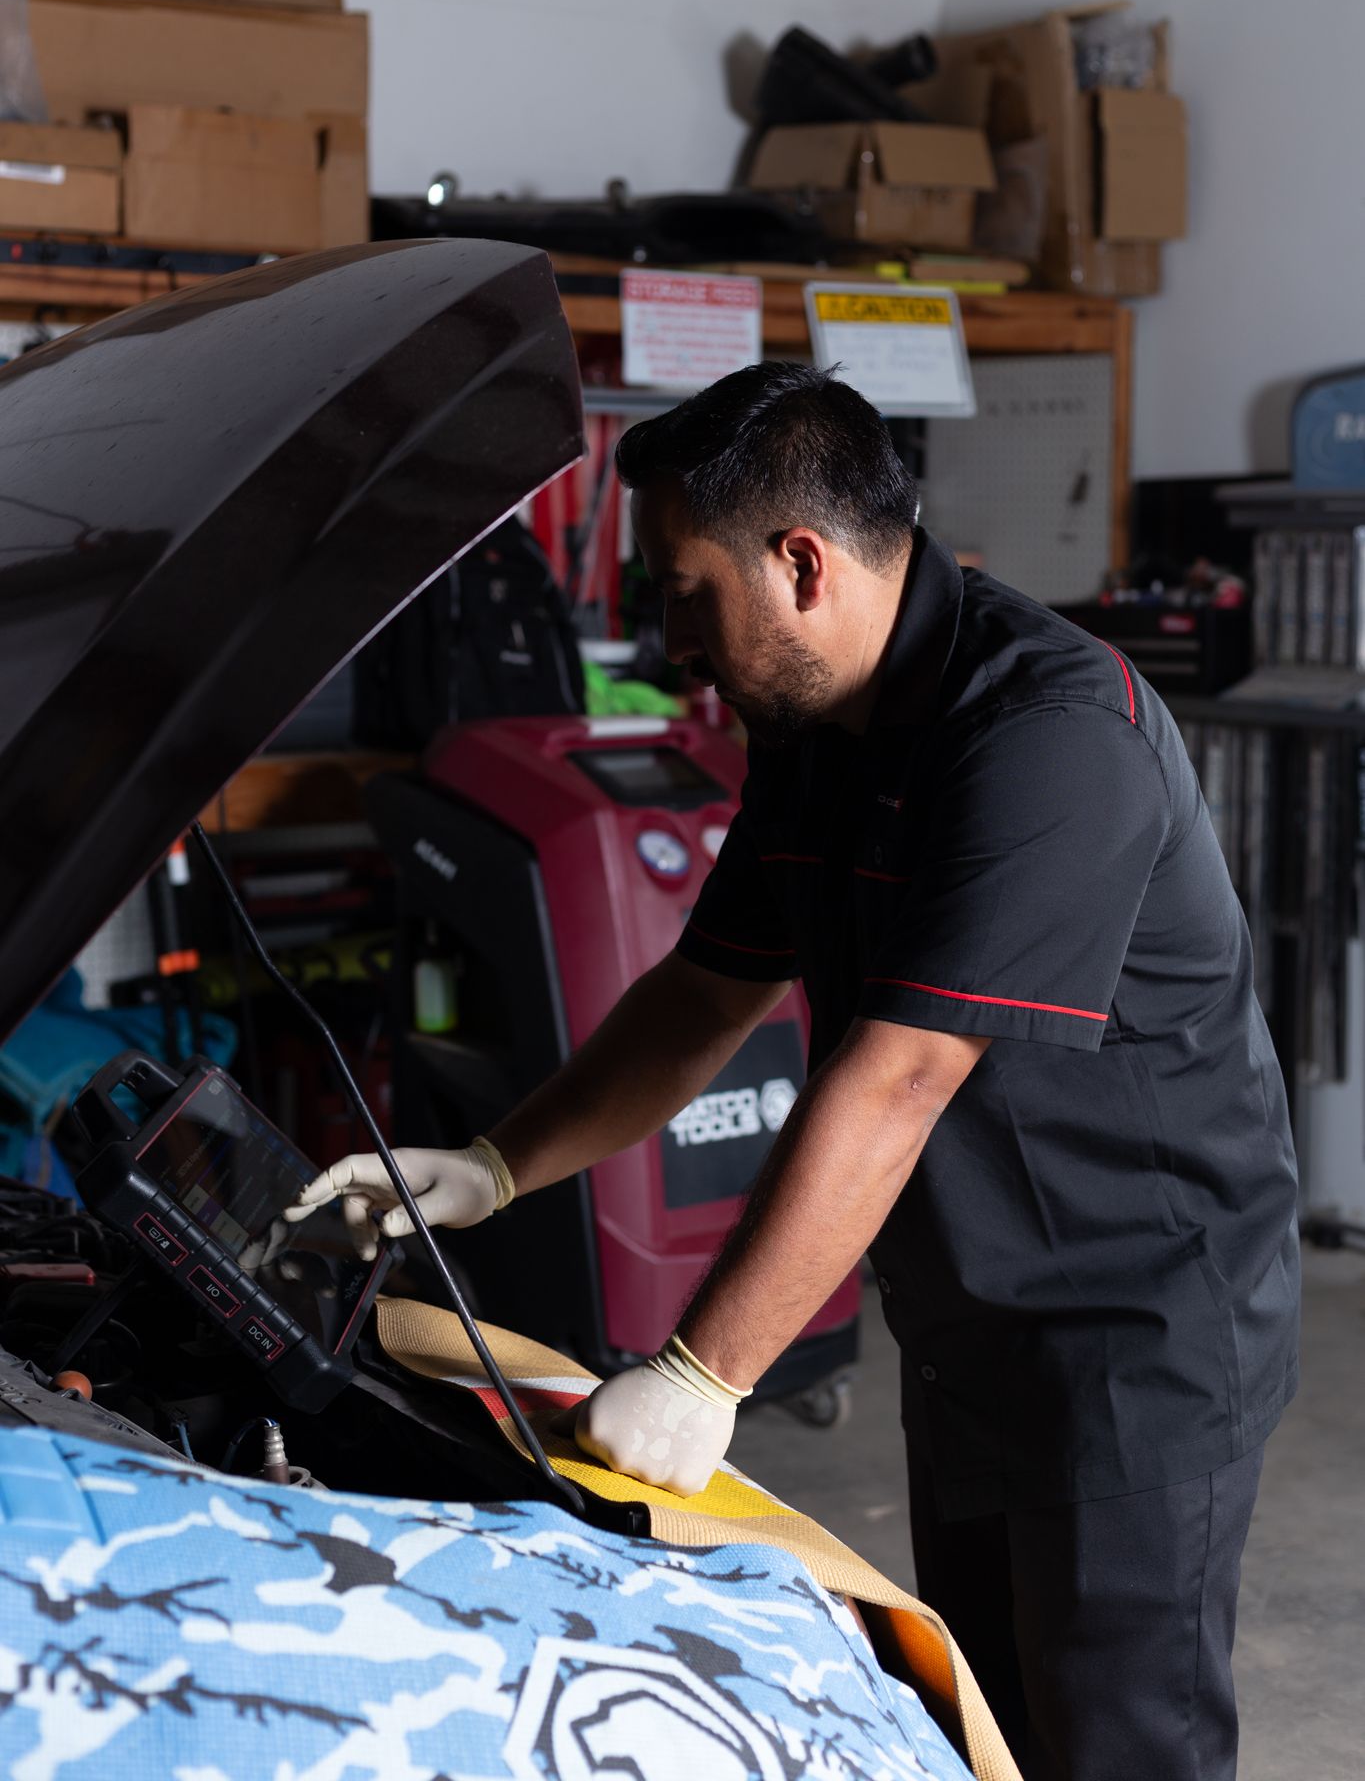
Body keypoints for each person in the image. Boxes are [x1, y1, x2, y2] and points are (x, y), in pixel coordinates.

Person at [292, 362, 1300, 1781]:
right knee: (974, 1717)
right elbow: (702, 996)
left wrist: (705, 1371)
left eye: (685, 592)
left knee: (1116, 1741)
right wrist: (497, 1165)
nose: (666, 636)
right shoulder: (814, 733)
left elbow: (898, 1079)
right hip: (971, 1318)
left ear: (799, 563)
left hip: (1135, 1330)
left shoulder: (1047, 739)